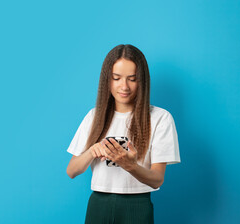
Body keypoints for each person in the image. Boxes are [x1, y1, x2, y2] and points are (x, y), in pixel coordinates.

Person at [66, 44, 181, 224]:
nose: (124, 86)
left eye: (132, 79)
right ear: (107, 80)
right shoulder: (94, 116)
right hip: (99, 204)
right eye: (116, 78)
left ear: (142, 81)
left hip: (138, 204)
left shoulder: (160, 118)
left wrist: (131, 166)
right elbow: (72, 171)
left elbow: (157, 179)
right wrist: (92, 151)